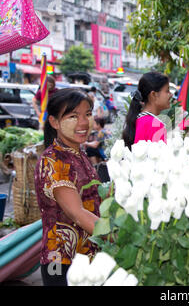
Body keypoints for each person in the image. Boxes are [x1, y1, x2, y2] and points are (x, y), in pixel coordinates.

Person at [34, 89, 102, 286]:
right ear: (54, 122)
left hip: (87, 259)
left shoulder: (79, 154)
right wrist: (118, 236)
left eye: (88, 114)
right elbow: (77, 213)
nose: (83, 123)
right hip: (61, 262)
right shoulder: (53, 161)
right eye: (73, 116)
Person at [122, 71, 171, 148]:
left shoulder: (138, 119)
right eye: (167, 91)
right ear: (154, 95)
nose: (171, 95)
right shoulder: (155, 125)